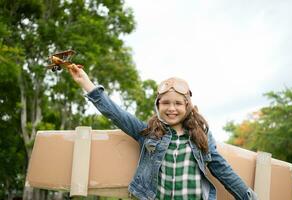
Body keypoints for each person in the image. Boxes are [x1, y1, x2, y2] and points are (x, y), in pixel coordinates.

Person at [67, 64, 258, 200]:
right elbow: (117, 114)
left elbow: (223, 170)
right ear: (158, 105)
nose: (171, 108)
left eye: (177, 103)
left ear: (188, 106)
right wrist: (87, 84)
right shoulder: (149, 133)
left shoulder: (201, 135)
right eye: (165, 103)